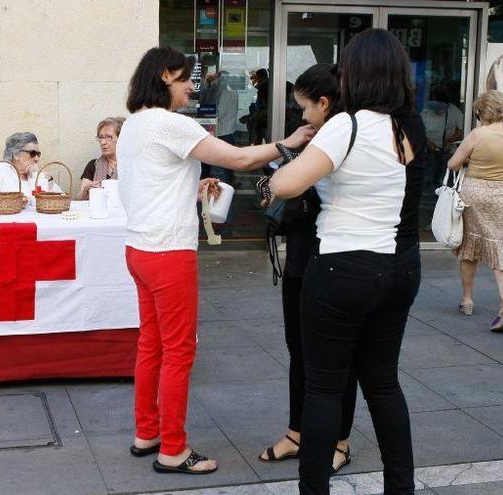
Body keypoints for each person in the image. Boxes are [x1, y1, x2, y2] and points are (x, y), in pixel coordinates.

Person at [118, 46, 313, 475]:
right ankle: (173, 449)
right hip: (168, 253)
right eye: (187, 77)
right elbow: (240, 158)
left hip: (140, 249)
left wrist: (189, 183)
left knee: (151, 345)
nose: (193, 85)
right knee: (179, 352)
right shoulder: (171, 123)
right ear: (166, 76)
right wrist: (287, 144)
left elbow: (151, 181)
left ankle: (146, 433)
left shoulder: (134, 125)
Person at [270, 29, 425, 494]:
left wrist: (282, 164)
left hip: (342, 266)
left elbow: (285, 186)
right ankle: (401, 487)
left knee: (323, 388)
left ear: (355, 74)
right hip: (398, 268)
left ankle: (313, 488)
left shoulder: (347, 124)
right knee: (383, 385)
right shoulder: (409, 127)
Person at [256, 63, 356, 475]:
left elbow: (282, 187)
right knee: (298, 349)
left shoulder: (351, 138)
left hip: (335, 259)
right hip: (300, 256)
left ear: (325, 103)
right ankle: (298, 432)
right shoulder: (309, 143)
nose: (301, 117)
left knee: (336, 357)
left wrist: (278, 181)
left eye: (304, 108)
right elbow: (274, 189)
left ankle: (339, 440)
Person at [447, 90, 503, 331]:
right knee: (502, 247)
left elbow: (453, 163)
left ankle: (467, 299)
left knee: (470, 248)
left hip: (475, 193)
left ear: (483, 112)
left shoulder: (478, 135)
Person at [0, 132, 62, 205]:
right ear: (16, 154)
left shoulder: (37, 173)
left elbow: (61, 199)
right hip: (7, 223)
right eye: (33, 153)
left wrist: (46, 179)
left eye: (38, 154)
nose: (37, 159)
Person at [77, 117, 125, 200]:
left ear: (121, 139)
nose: (103, 142)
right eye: (101, 137)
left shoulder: (132, 165)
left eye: (108, 137)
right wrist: (86, 190)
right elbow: (78, 199)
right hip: (97, 211)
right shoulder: (93, 165)